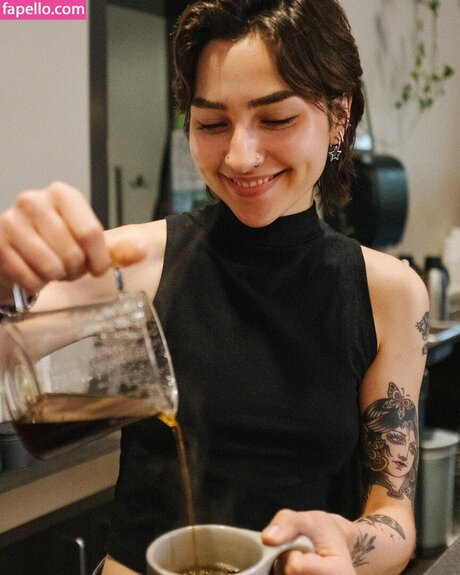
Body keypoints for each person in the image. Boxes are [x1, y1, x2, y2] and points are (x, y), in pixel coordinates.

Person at [0, 1, 429, 573]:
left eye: (275, 119)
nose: (239, 156)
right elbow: (9, 352)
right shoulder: (136, 262)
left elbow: (393, 514)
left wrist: (349, 541)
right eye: (211, 123)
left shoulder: (390, 294)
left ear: (338, 114)